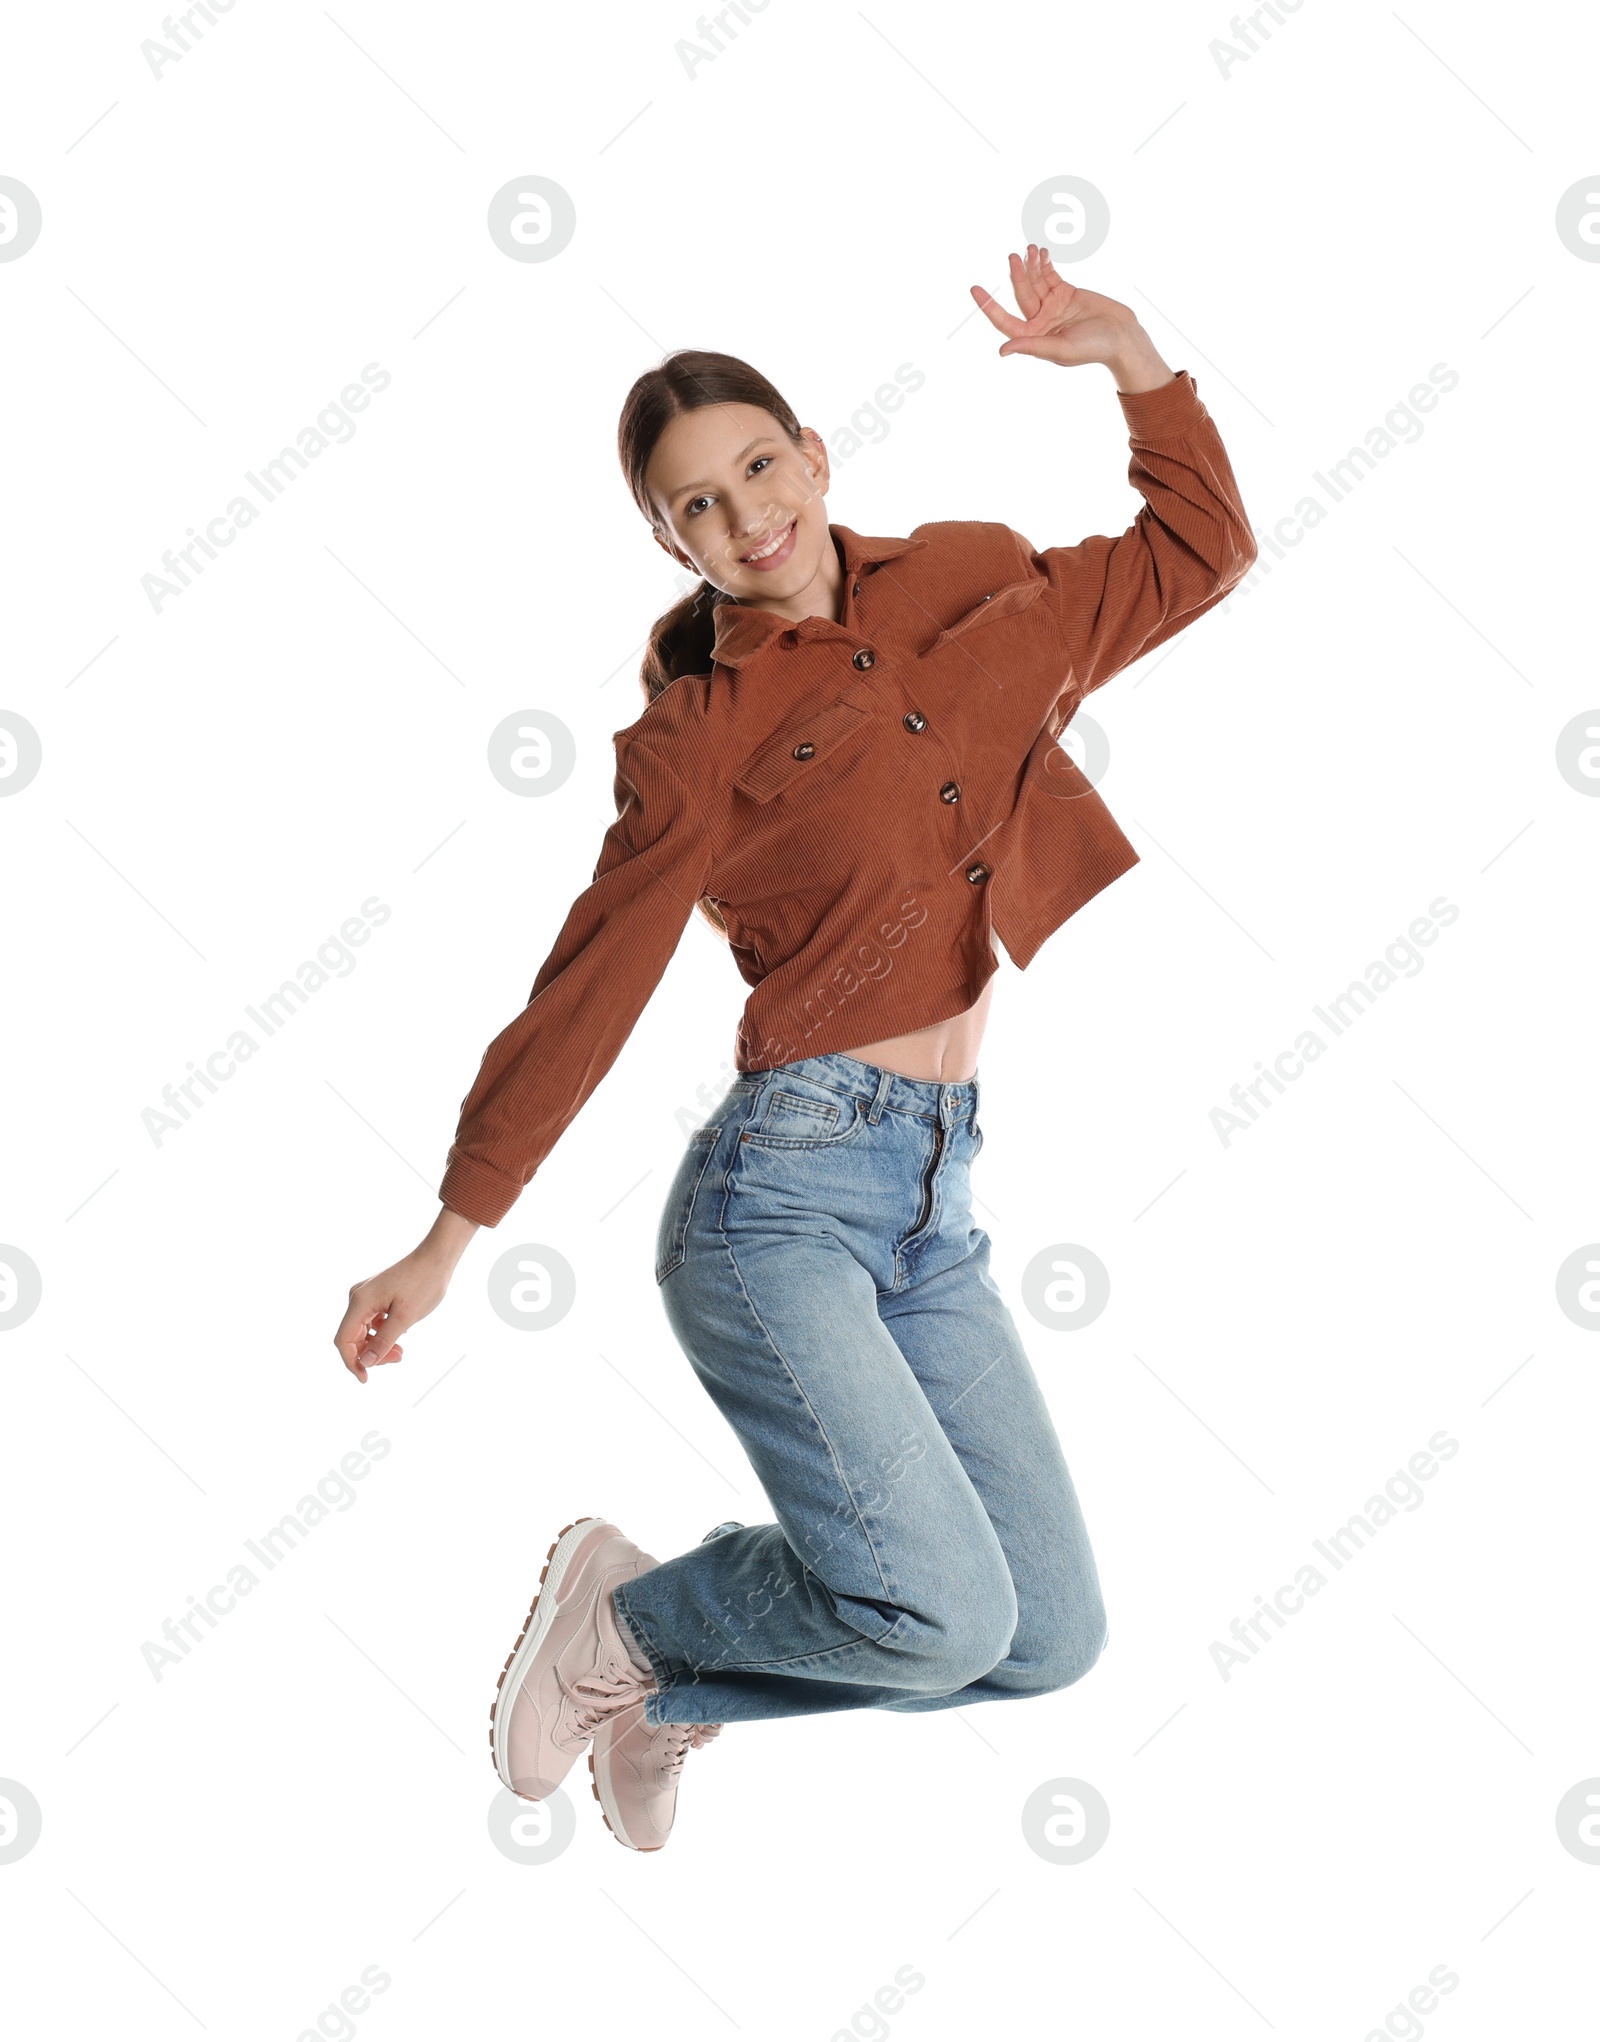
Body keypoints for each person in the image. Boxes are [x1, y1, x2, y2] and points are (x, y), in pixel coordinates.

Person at [334, 247, 1256, 1854]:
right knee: (945, 1614)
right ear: (666, 541)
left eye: (759, 465)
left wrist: (1136, 365)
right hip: (780, 1202)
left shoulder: (973, 578)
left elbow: (1196, 551)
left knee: (1045, 1638)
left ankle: (676, 1680)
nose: (744, 515)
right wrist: (450, 1232)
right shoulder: (697, 731)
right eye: (694, 505)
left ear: (816, 454)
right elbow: (593, 981)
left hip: (933, 1199)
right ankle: (625, 1615)